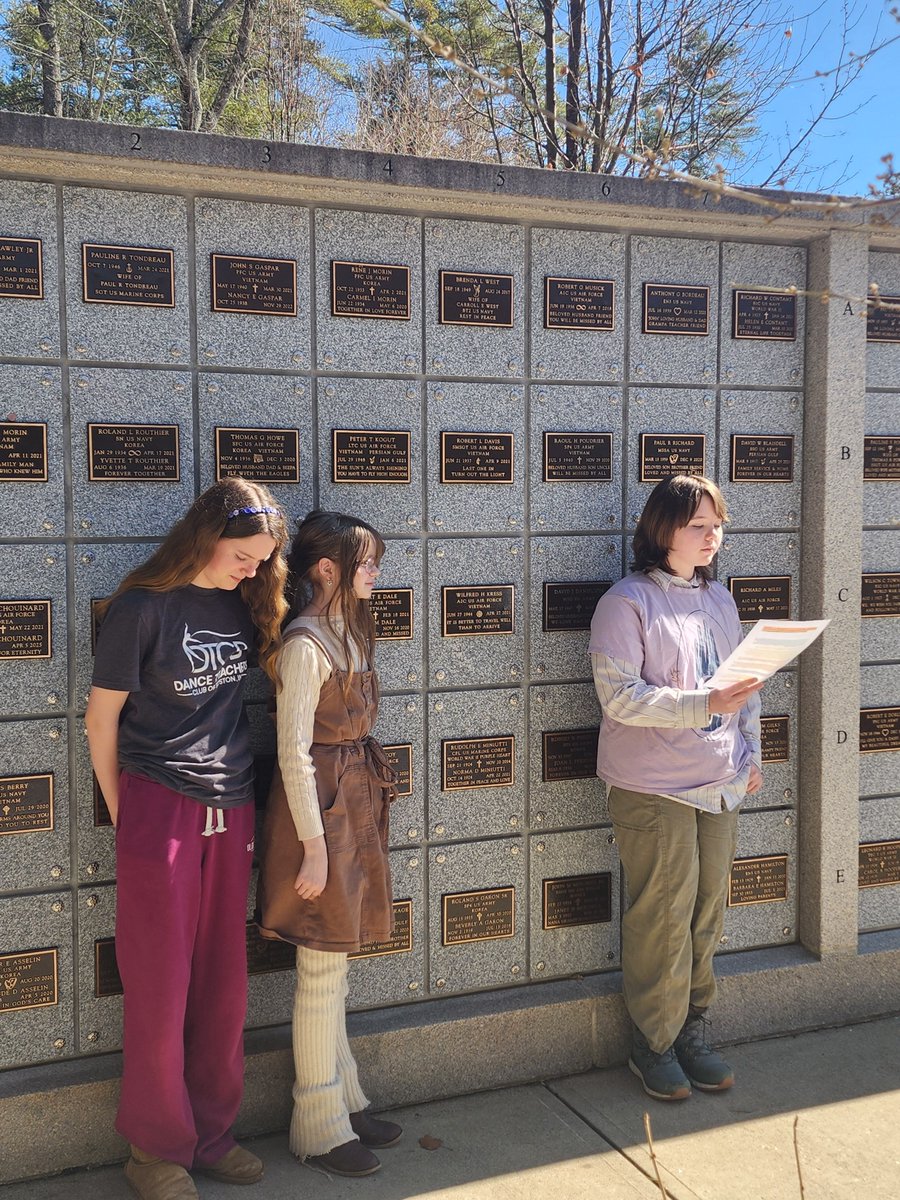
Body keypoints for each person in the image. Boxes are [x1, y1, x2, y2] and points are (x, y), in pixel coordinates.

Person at [84, 478, 288, 1200]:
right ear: (205, 535)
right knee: (161, 987)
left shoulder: (241, 604)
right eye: (244, 555)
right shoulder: (141, 607)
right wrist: (129, 813)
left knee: (223, 985)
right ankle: (155, 1148)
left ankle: (210, 1135)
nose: (253, 570)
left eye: (264, 560)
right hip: (158, 808)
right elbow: (100, 721)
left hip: (230, 808)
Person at [589, 474, 763, 1102]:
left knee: (705, 912)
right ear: (663, 530)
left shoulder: (718, 598)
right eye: (699, 525)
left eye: (718, 524)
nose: (713, 536)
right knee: (662, 914)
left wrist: (751, 751)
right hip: (652, 786)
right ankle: (653, 1042)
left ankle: (692, 1028)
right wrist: (703, 703)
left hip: (721, 780)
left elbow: (746, 685)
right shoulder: (627, 601)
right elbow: (621, 698)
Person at [256, 510, 400, 1177]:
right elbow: (292, 751)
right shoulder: (305, 644)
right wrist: (313, 849)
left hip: (351, 806)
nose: (375, 573)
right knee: (319, 969)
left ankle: (345, 1099)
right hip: (316, 817)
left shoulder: (350, 632)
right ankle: (316, 1123)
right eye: (366, 563)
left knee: (335, 966)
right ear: (327, 569)